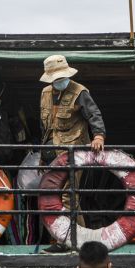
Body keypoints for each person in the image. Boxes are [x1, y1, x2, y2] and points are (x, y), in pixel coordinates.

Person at [38, 55, 106, 254]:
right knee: (56, 196)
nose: (59, 81)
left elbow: (95, 115)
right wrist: (43, 154)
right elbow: (44, 127)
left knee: (68, 196)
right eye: (56, 79)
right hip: (52, 151)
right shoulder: (44, 93)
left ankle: (66, 242)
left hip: (74, 150)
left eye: (62, 77)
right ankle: (80, 239)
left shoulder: (80, 92)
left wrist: (99, 137)